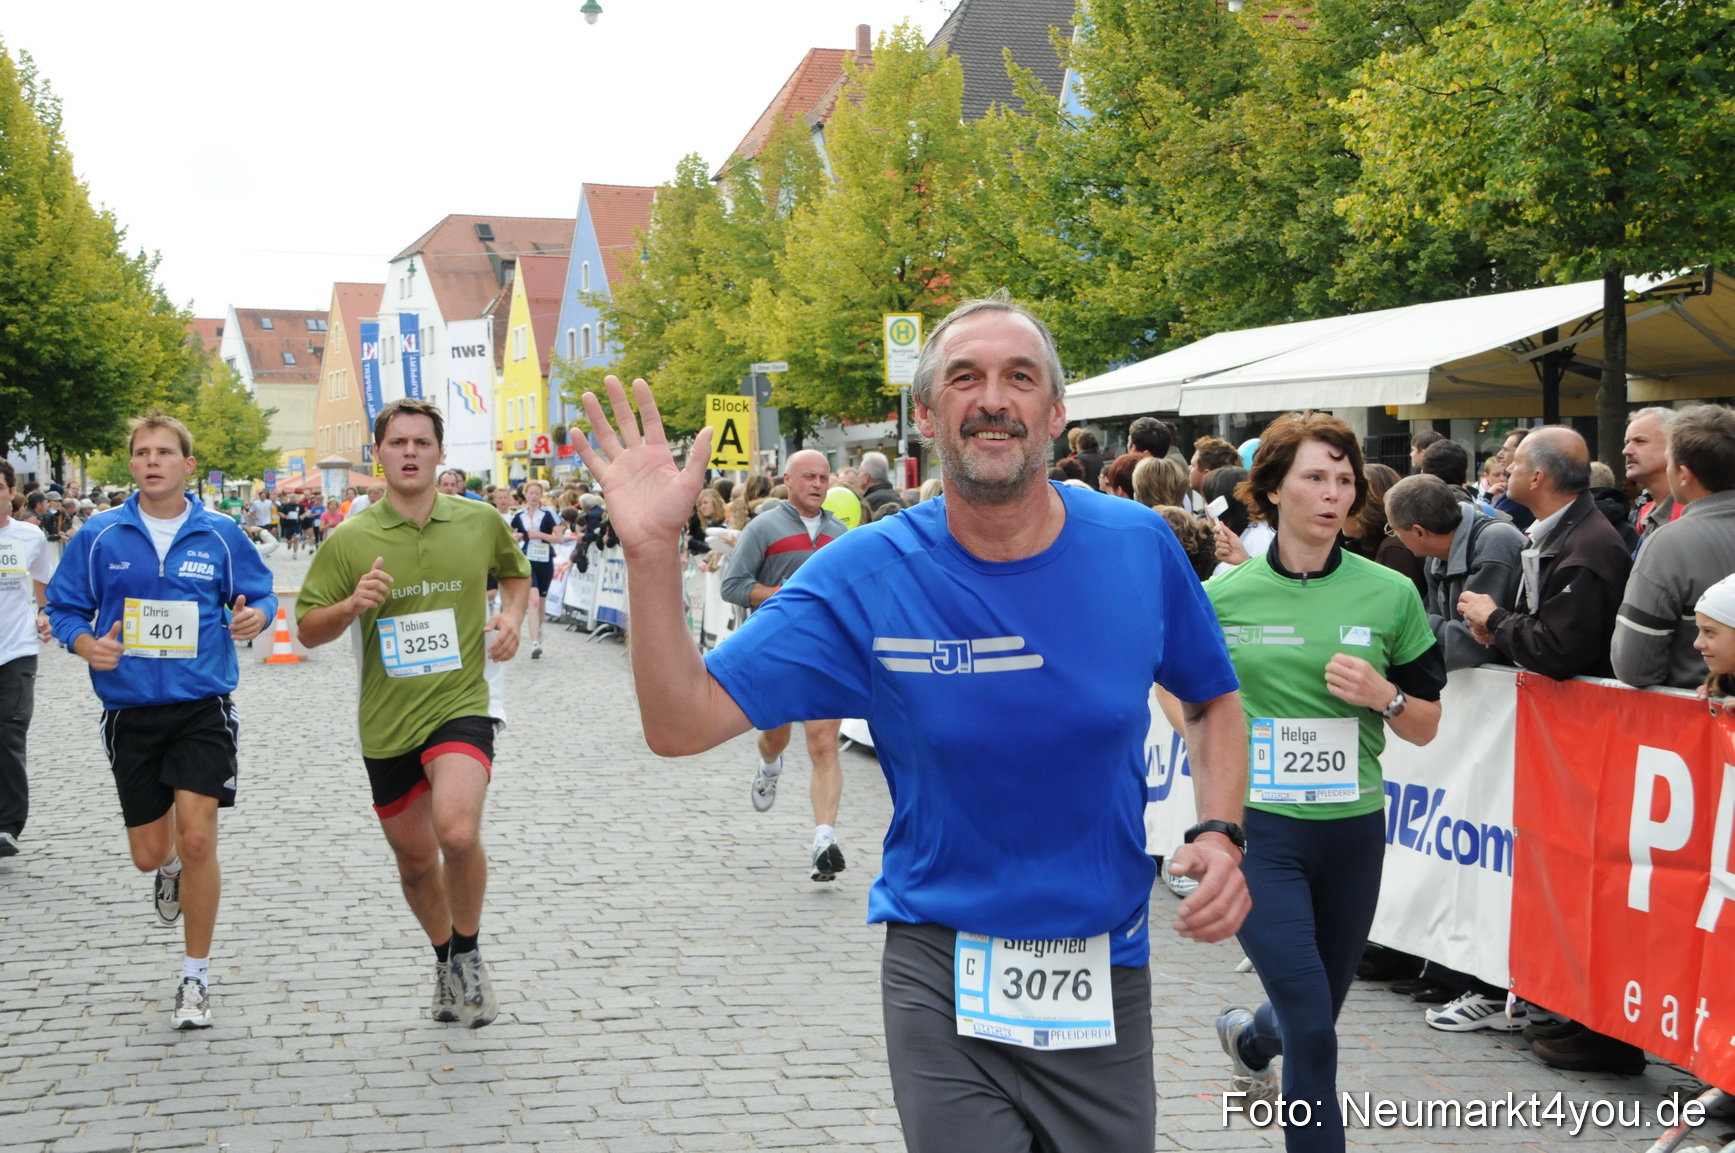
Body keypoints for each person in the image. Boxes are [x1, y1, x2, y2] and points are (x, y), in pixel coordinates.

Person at [572, 294, 1251, 1153]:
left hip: (1101, 964)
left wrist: (1221, 833)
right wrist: (647, 555)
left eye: (1019, 377)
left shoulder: (1134, 545)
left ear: (1054, 413)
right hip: (941, 964)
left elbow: (1209, 697)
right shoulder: (866, 572)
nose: (993, 398)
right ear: (927, 414)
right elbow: (679, 722)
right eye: (965, 378)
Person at [1207, 411, 1444, 1153]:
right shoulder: (1223, 600)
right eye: (1314, 476)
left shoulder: (1388, 593)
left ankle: (1253, 1037)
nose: (1332, 493)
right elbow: (1177, 696)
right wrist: (1214, 727)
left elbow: (1425, 723)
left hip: (1351, 832)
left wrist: (1384, 695)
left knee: (1310, 1012)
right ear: (1271, 489)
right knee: (1314, 1024)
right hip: (1261, 833)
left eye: (1344, 479)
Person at [295, 398, 530, 1029]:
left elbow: (516, 574)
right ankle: (443, 956)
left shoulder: (480, 521)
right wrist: (351, 605)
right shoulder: (350, 538)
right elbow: (307, 631)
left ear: (440, 452)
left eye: (421, 443)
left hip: (461, 703)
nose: (409, 453)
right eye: (396, 443)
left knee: (455, 832)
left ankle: (471, 953)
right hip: (386, 719)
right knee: (417, 861)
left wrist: (509, 617)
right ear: (379, 454)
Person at [45, 412, 275, 1030]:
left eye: (165, 452)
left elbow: (260, 593)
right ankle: (168, 869)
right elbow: (65, 608)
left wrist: (257, 618)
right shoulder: (98, 535)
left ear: (187, 464)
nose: (153, 461)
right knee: (151, 854)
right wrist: (85, 644)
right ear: (132, 464)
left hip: (202, 704)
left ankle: (194, 977)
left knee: (199, 837)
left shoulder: (223, 533)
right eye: (142, 452)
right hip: (129, 709)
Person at [722, 449, 852, 881]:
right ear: (790, 480)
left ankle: (824, 841)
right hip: (777, 649)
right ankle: (770, 767)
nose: (818, 484)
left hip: (827, 652)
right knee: (774, 737)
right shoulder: (764, 527)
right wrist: (781, 597)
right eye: (809, 477)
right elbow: (733, 585)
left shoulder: (841, 531)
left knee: (823, 744)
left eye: (824, 477)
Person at [1458, 426, 1633, 681]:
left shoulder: (1589, 548)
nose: (1507, 470)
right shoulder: (1553, 533)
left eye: (1516, 463)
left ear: (1536, 478)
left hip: (1578, 713)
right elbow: (1541, 625)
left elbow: (1560, 651)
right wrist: (1500, 635)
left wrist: (1495, 619)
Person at [1613, 404, 1735, 690]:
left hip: (1693, 715)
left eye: (1669, 462)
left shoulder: (1670, 543)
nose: (1628, 450)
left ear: (1683, 474)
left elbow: (1633, 666)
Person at [1386, 474, 1528, 673]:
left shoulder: (1494, 543)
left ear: (1419, 532)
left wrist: (1396, 621)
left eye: (1393, 529)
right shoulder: (1435, 557)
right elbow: (1434, 626)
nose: (1395, 537)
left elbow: (1477, 643)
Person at [0, 460, 55, 859]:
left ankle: (7, 826)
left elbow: (42, 584)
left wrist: (44, 612)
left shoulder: (29, 537)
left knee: (9, 735)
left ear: (10, 492)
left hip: (15, 650)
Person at [510, 481, 564, 659]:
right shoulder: (519, 515)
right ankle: (534, 643)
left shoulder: (549, 514)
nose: (533, 496)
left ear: (541, 495)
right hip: (527, 560)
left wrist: (540, 535)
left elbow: (559, 539)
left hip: (545, 560)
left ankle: (539, 629)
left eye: (536, 493)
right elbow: (508, 536)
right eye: (530, 493)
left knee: (541, 603)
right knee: (532, 601)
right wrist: (515, 537)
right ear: (525, 495)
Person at [1624, 406, 1683, 548]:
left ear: (1673, 446)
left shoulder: (1689, 517)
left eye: (1640, 441)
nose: (1626, 451)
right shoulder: (1641, 517)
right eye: (1627, 442)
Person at [1693, 574, 1735, 702]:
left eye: (1709, 631)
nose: (1697, 643)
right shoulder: (1721, 683)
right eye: (1698, 630)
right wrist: (1718, 692)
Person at [857, 451, 901, 518]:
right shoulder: (896, 496)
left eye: (859, 473)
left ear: (866, 478)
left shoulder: (871, 502)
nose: (858, 476)